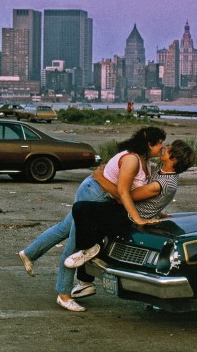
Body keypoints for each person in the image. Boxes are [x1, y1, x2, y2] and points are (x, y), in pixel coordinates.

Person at [18, 126, 167, 312]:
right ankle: (63, 295)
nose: (162, 146)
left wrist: (157, 213)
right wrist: (138, 219)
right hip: (95, 194)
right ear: (148, 144)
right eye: (159, 143)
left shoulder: (144, 161)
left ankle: (29, 253)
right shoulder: (132, 160)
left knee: (64, 228)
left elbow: (132, 193)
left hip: (96, 191)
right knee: (74, 245)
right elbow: (123, 192)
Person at [65, 139, 196, 270]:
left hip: (128, 216)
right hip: (128, 210)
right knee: (92, 226)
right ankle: (85, 282)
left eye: (168, 148)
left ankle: (89, 251)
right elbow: (155, 200)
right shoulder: (162, 169)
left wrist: (101, 179)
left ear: (174, 159)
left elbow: (126, 195)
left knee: (81, 208)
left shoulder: (162, 184)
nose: (164, 148)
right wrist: (158, 212)